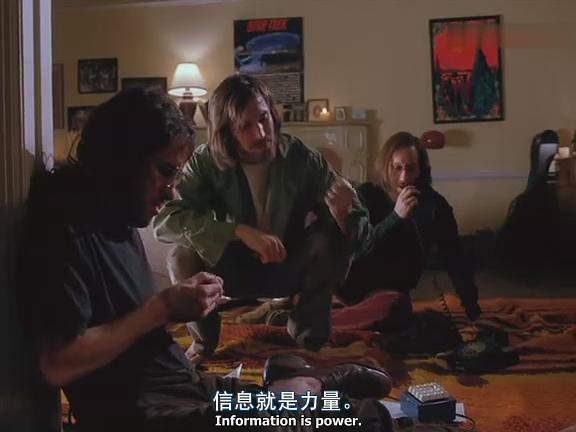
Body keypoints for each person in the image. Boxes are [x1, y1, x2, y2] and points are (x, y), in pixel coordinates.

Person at [17, 88, 392, 432]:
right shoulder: (65, 226)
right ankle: (305, 384)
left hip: (186, 383)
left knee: (309, 411)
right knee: (337, 420)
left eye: (264, 119)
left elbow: (360, 237)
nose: (170, 189)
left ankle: (304, 382)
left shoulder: (118, 214)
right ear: (124, 158)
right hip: (150, 411)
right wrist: (164, 307)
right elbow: (57, 363)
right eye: (165, 171)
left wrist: (345, 218)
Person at [153, 74, 369, 357]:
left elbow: (363, 231)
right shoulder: (205, 161)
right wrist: (238, 231)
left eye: (264, 119)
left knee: (331, 243)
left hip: (287, 264)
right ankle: (204, 341)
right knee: (181, 256)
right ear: (227, 131)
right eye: (245, 126)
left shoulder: (300, 157)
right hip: (228, 269)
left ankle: (309, 337)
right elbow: (165, 221)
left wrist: (343, 216)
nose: (260, 133)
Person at [334, 131, 482, 331]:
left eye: (410, 169)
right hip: (353, 285)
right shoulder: (366, 195)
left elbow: (455, 258)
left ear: (421, 170)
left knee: (395, 312)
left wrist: (473, 309)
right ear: (386, 166)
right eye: (397, 168)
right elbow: (357, 249)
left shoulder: (434, 205)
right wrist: (396, 217)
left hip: (391, 293)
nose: (403, 178)